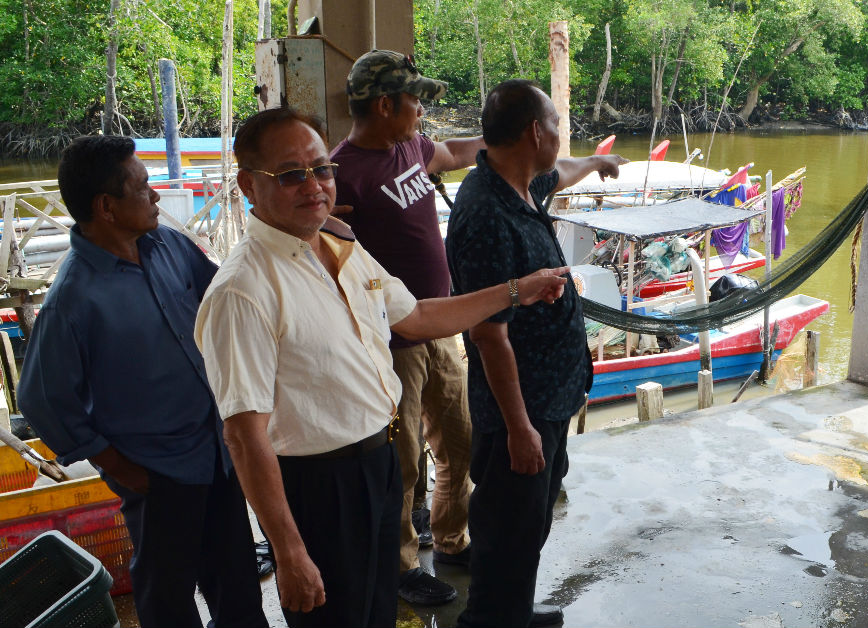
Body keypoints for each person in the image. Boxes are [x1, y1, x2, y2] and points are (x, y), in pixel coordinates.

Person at [194, 106, 570, 628]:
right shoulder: (243, 290)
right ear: (249, 186)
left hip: (380, 459)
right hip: (319, 486)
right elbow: (243, 434)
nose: (313, 185)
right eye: (291, 175)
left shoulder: (338, 245)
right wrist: (288, 552)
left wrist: (515, 291)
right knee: (338, 618)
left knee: (376, 610)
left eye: (321, 169)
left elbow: (416, 317)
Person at [18, 135, 267, 628]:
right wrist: (113, 462)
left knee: (235, 576)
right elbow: (41, 398)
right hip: (156, 469)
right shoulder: (73, 298)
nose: (156, 198)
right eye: (143, 189)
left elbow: (222, 298)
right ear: (106, 207)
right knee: (167, 594)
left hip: (216, 449)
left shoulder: (166, 245)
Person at [445, 80, 627, 628]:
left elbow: (561, 171)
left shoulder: (523, 184)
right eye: (554, 124)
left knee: (529, 527)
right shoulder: (485, 215)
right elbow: (488, 336)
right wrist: (518, 427)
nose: (558, 135)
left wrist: (598, 161)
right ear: (533, 131)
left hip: (549, 396)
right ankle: (492, 618)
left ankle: (514, 612)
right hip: (518, 412)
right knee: (506, 534)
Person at [330, 50, 480, 605]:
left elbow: (454, 152)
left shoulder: (411, 146)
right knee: (400, 459)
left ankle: (451, 539)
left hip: (440, 323)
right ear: (386, 104)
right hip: (391, 340)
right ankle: (398, 567)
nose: (421, 110)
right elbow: (331, 262)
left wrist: (511, 142)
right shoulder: (341, 173)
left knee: (460, 440)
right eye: (415, 100)